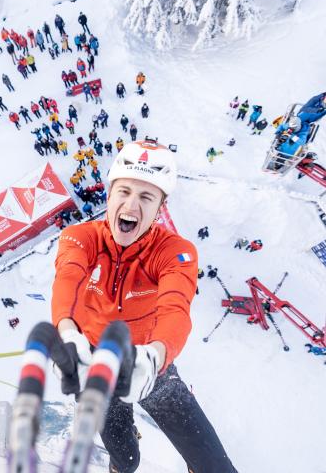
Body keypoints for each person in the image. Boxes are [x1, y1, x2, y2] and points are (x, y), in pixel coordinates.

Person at [51, 139, 235, 473]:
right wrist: (67, 334)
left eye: (146, 197)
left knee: (215, 466)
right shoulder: (81, 237)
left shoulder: (174, 251)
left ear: (160, 207)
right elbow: (68, 279)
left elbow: (175, 306)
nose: (131, 205)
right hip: (95, 361)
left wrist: (156, 356)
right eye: (124, 192)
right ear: (109, 194)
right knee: (125, 460)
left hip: (151, 363)